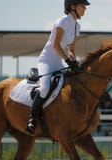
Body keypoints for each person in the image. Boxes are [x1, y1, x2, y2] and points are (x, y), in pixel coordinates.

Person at [25, 0, 90, 134]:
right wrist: (67, 60)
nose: (85, 8)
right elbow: (56, 45)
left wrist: (73, 61)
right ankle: (32, 118)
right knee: (45, 88)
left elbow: (70, 49)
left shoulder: (77, 27)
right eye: (82, 6)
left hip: (59, 62)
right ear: (73, 7)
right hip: (47, 61)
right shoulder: (62, 22)